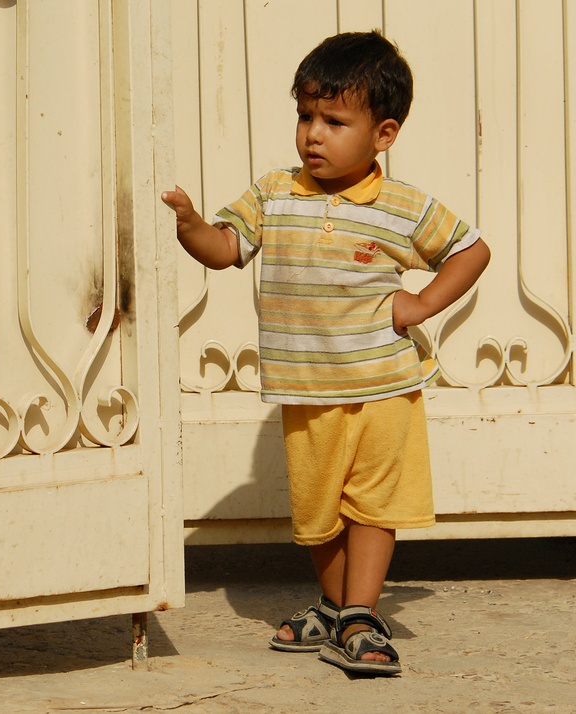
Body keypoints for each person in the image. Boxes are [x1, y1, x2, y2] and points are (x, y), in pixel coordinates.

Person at [162, 30, 490, 676]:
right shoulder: (274, 193)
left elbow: (471, 249)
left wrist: (420, 305)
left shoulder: (401, 206)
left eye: (334, 121)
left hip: (384, 386)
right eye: (305, 115)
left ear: (383, 135)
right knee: (318, 513)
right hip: (306, 389)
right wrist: (192, 227)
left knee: (373, 506)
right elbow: (227, 250)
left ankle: (361, 616)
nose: (314, 133)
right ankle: (336, 609)